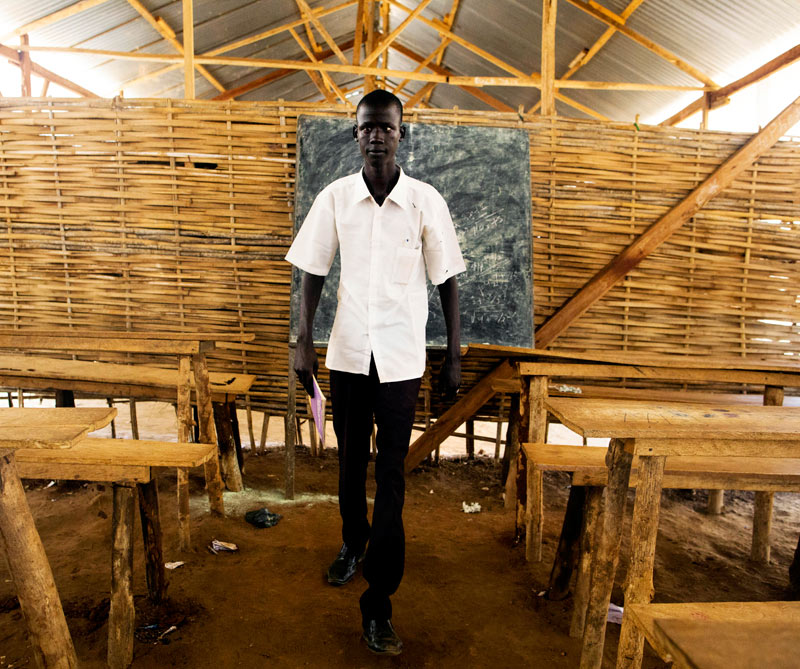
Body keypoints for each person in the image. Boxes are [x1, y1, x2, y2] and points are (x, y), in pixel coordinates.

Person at [285, 89, 465, 656]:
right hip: (345, 356)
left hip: (401, 361)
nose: (378, 135)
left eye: (387, 127)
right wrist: (303, 341)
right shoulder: (337, 198)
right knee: (349, 464)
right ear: (356, 135)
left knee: (391, 476)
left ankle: (379, 602)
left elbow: (448, 280)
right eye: (368, 128)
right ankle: (351, 543)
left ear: (402, 134)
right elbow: (311, 270)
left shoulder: (424, 202)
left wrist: (454, 353)